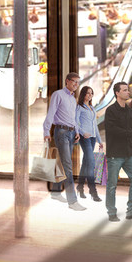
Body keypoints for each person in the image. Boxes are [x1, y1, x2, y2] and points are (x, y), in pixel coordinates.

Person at [42, 71, 87, 211]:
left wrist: (77, 131)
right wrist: (46, 131)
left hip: (71, 132)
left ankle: (55, 192)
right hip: (61, 132)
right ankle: (72, 201)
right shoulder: (58, 94)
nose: (76, 84)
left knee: (62, 163)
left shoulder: (73, 99)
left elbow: (73, 118)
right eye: (74, 81)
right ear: (67, 81)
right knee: (67, 166)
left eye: (78, 82)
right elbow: (51, 113)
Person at [101, 82, 132, 222]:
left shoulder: (129, 111)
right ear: (117, 93)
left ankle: (131, 211)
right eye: (125, 90)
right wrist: (129, 134)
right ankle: (111, 212)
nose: (128, 92)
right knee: (112, 184)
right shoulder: (111, 111)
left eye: (128, 90)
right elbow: (112, 130)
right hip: (115, 154)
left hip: (129, 153)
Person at [74, 85, 102, 204]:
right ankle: (93, 191)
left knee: (86, 163)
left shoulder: (92, 108)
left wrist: (99, 141)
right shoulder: (79, 107)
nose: (90, 95)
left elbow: (95, 125)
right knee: (90, 162)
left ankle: (80, 187)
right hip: (85, 138)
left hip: (92, 138)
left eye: (91, 93)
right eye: (87, 93)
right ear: (83, 94)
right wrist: (81, 132)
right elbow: (75, 122)